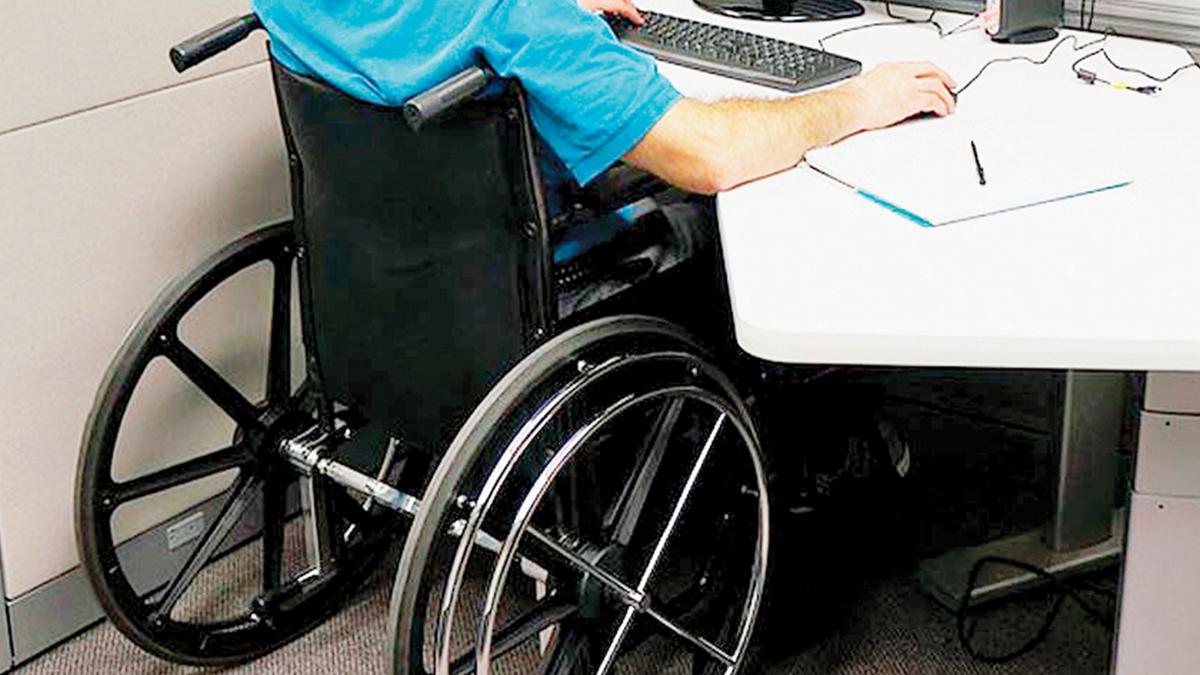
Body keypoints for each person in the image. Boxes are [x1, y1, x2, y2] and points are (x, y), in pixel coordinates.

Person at [252, 0, 957, 195]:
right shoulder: (518, 19)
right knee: (741, 217)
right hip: (545, 278)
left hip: (390, 268)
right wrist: (858, 101)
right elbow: (710, 157)